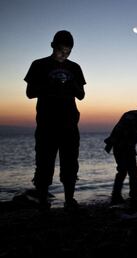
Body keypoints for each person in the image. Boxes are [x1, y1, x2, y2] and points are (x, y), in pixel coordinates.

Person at [24, 30, 86, 210]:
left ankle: (69, 200)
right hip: (46, 124)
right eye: (61, 50)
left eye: (68, 51)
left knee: (70, 163)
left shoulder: (75, 68)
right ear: (52, 46)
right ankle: (43, 201)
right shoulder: (38, 65)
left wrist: (72, 85)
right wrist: (48, 86)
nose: (64, 54)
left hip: (69, 125)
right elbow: (29, 93)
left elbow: (81, 95)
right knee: (44, 163)